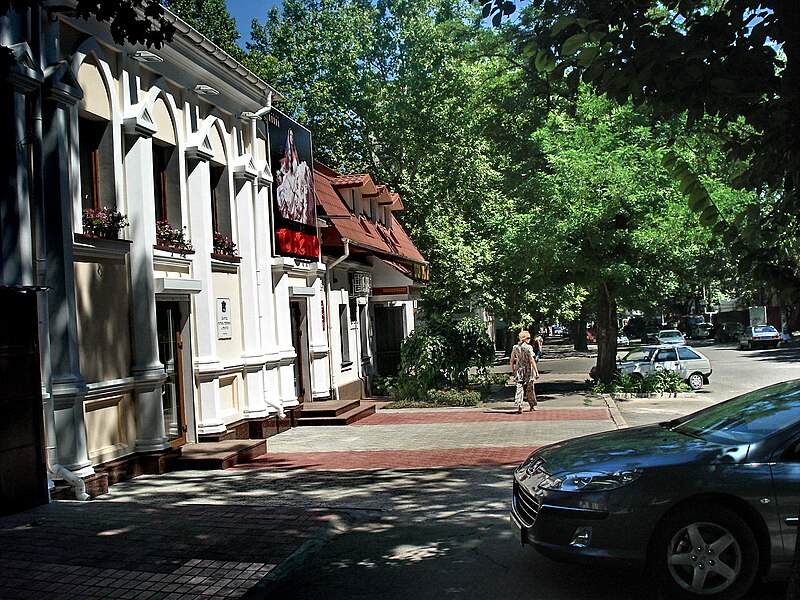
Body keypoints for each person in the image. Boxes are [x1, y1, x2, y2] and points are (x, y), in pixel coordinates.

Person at [509, 330, 540, 413]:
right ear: (524, 338)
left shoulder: (515, 347)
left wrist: (513, 371)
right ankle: (532, 405)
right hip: (528, 370)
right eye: (528, 338)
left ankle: (520, 405)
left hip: (519, 370)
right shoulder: (528, 347)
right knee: (530, 388)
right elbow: (532, 360)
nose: (529, 339)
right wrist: (536, 372)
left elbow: (512, 361)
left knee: (519, 387)